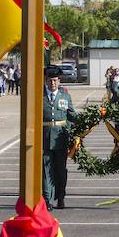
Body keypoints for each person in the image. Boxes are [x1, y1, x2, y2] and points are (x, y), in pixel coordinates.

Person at [43, 66, 76, 210]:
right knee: (46, 170)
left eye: (55, 80)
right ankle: (47, 200)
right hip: (44, 138)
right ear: (46, 80)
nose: (53, 83)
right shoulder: (39, 96)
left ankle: (60, 197)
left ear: (59, 81)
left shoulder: (65, 95)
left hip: (61, 138)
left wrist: (89, 119)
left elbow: (72, 115)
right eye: (50, 80)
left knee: (61, 170)